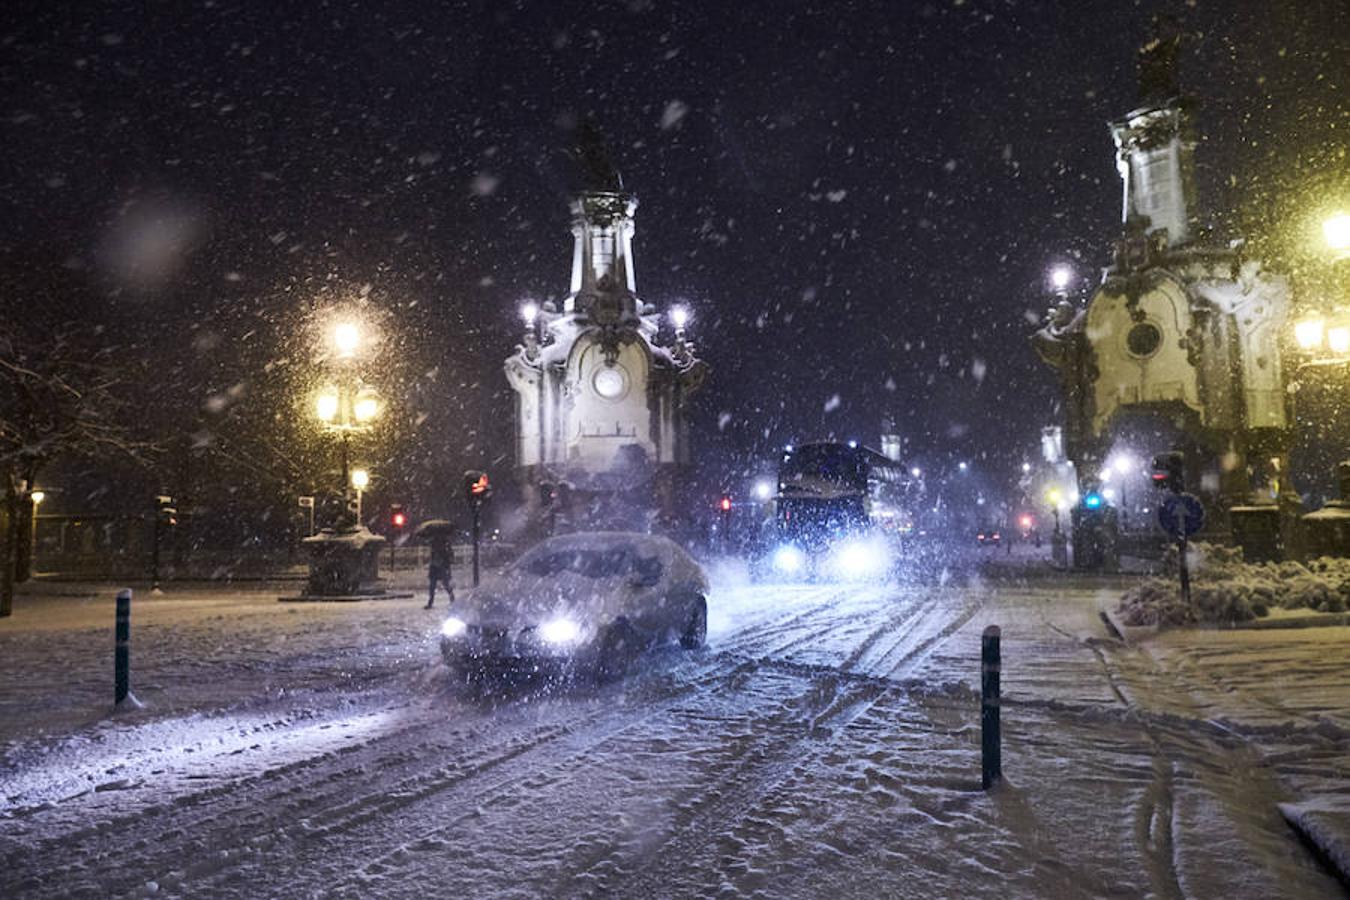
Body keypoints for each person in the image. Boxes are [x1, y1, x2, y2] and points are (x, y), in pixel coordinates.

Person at [426, 533, 454, 609]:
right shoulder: (443, 543)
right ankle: (451, 598)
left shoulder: (444, 543)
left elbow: (450, 555)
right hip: (438, 567)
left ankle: (431, 602)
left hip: (440, 567)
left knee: (439, 585)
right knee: (437, 585)